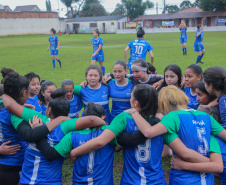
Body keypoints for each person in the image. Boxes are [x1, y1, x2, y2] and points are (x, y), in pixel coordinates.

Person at [122, 85, 225, 184]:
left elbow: (148, 132)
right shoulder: (205, 116)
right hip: (207, 179)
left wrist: (133, 112)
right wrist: (212, 164)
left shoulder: (172, 117)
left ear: (163, 104)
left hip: (184, 178)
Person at [2, 88, 106, 185]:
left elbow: (10, 104)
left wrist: (3, 94)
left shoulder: (37, 118)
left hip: (26, 180)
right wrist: (105, 126)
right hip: (51, 181)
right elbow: (91, 119)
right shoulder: (66, 125)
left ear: (49, 110)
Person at [70, 84, 167, 185]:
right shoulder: (164, 121)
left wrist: (74, 152)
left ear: (136, 103)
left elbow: (100, 141)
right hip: (156, 180)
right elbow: (169, 151)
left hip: (130, 181)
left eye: (131, 96)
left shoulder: (123, 117)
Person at [35, 102, 116, 184]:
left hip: (79, 182)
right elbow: (118, 147)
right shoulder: (111, 132)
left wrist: (37, 134)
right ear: (103, 117)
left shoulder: (72, 135)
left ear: (83, 117)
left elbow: (54, 154)